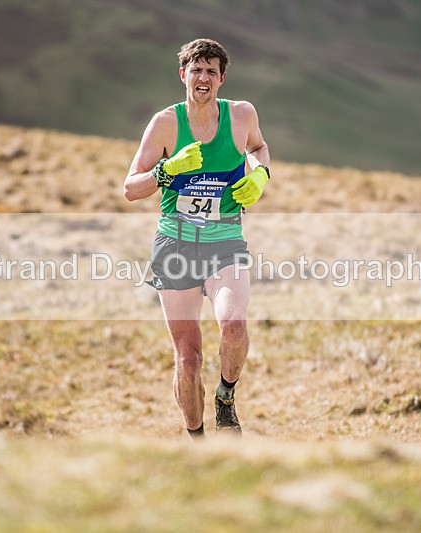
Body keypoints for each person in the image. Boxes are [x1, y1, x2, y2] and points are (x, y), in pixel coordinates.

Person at [124, 38, 270, 439]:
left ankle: (226, 396)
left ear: (222, 79)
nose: (202, 77)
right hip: (176, 245)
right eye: (196, 69)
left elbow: (258, 147)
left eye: (211, 71)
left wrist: (260, 175)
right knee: (188, 360)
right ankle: (199, 443)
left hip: (225, 240)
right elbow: (131, 188)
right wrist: (166, 171)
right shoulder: (165, 124)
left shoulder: (241, 116)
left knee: (234, 325)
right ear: (183, 75)